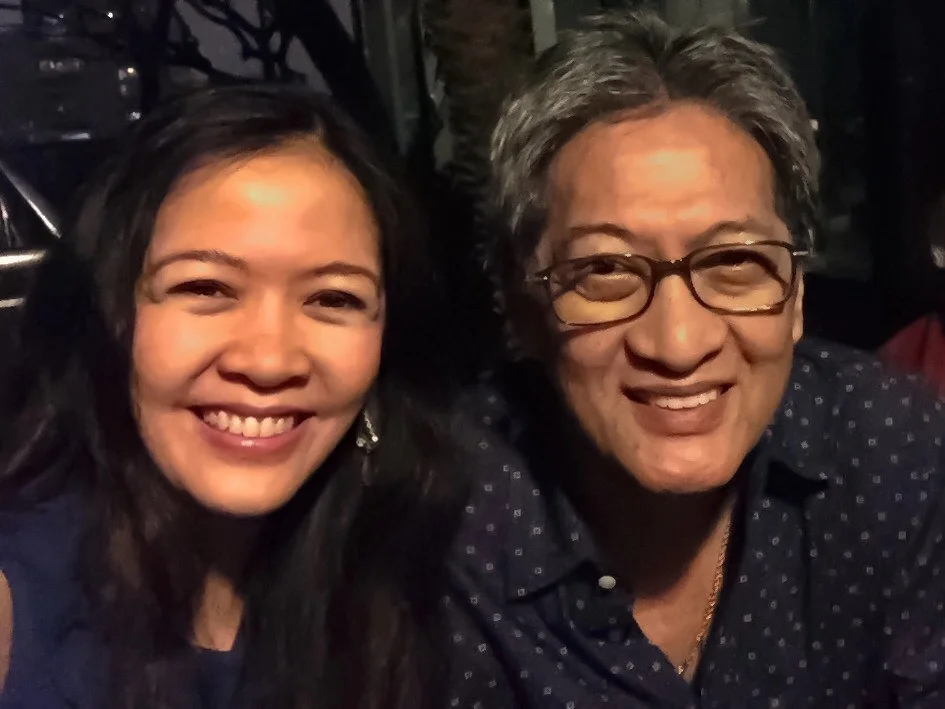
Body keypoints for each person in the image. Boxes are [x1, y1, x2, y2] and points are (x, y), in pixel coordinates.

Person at [444, 10, 945, 708]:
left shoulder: (890, 450)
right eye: (605, 271)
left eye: (735, 262)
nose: (679, 344)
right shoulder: (432, 526)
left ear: (795, 295)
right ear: (522, 310)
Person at [0, 85, 463, 709]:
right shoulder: (15, 608)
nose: (269, 361)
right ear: (105, 316)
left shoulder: (407, 574)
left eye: (333, 299)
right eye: (206, 288)